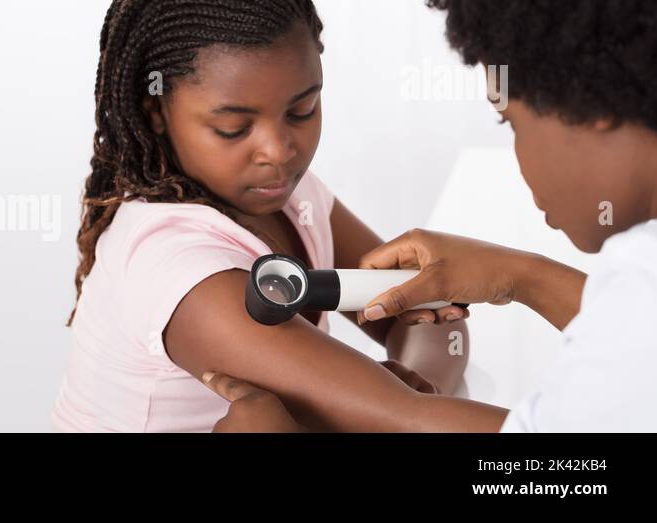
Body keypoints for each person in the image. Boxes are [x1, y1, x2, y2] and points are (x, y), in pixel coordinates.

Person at [51, 0, 505, 433]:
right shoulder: (179, 268)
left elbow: (431, 312)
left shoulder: (288, 195)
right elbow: (411, 420)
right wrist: (396, 411)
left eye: (301, 110)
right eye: (234, 128)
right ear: (156, 111)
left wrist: (409, 390)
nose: (279, 150)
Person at [209, 0, 657, 432]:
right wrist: (521, 277)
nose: (277, 151)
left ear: (593, 105)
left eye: (511, 123)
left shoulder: (638, 283)